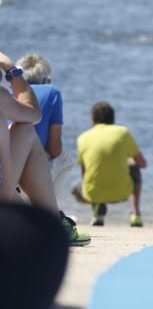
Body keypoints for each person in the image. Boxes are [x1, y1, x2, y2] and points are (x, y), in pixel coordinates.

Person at [0, 50, 88, 246]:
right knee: (25, 130)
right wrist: (11, 69)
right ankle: (53, 224)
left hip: (12, 183)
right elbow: (35, 117)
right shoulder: (50, 92)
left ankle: (43, 223)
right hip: (9, 186)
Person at [72, 101, 147, 227]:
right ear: (113, 118)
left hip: (92, 193)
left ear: (92, 119)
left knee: (77, 187)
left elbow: (84, 172)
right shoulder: (122, 132)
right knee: (135, 168)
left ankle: (97, 213)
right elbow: (142, 163)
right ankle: (135, 214)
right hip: (122, 192)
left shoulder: (82, 137)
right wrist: (127, 161)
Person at [18, 53, 74, 196]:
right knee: (64, 158)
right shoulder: (51, 91)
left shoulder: (11, 93)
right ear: (46, 78)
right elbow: (54, 149)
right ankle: (48, 205)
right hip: (32, 165)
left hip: (9, 165)